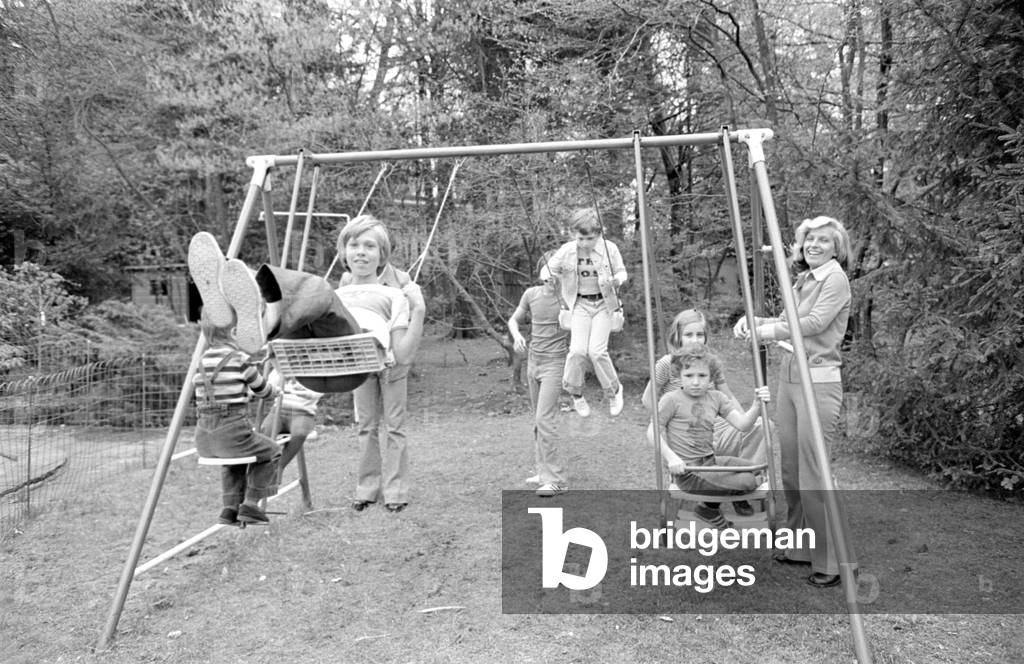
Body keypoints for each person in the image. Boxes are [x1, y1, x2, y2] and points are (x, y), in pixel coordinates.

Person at [733, 215, 855, 588]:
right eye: (808, 240)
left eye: (823, 240)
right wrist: (756, 320)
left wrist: (764, 331)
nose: (813, 246)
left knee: (813, 471)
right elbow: (790, 320)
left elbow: (815, 323)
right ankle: (801, 545)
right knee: (790, 470)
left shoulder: (835, 279)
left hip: (817, 380)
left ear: (837, 247)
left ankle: (833, 560)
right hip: (789, 378)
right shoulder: (803, 279)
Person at [335, 214, 425, 513]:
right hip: (359, 368)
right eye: (354, 245)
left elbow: (403, 348)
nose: (361, 251)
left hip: (391, 366)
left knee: (395, 426)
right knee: (365, 425)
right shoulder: (341, 290)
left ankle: (396, 490)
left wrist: (418, 308)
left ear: (381, 255)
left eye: (369, 246)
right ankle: (366, 489)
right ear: (344, 252)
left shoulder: (396, 289)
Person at [653, 343, 771, 530]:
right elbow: (653, 431)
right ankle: (711, 506)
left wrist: (757, 405)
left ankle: (709, 509)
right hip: (689, 472)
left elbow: (742, 425)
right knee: (749, 481)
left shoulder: (716, 398)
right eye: (689, 376)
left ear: (711, 377)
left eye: (702, 376)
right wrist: (671, 457)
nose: (696, 382)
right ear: (679, 376)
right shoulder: (671, 400)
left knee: (754, 470)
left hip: (710, 462)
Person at [641, 309, 768, 464]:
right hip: (688, 432)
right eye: (688, 335)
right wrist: (668, 423)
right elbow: (648, 398)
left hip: (717, 427)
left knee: (762, 425)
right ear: (677, 337)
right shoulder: (667, 363)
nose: (695, 340)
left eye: (699, 335)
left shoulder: (709, 363)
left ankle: (747, 471)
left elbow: (728, 397)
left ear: (705, 337)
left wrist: (744, 420)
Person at [191, 313, 281, 526]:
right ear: (233, 333)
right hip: (231, 430)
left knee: (233, 459)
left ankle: (229, 508)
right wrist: (274, 391)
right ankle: (250, 503)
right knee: (272, 451)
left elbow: (218, 391)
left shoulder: (201, 362)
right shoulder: (239, 359)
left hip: (204, 437)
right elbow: (262, 389)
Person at [546, 207, 628, 417]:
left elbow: (621, 271)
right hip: (580, 305)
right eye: (581, 238)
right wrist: (549, 277)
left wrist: (616, 280)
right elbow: (548, 269)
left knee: (597, 351)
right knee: (577, 351)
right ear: (574, 234)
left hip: (603, 305)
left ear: (599, 234)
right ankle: (576, 394)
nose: (585, 243)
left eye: (590, 238)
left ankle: (614, 391)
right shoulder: (567, 250)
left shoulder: (610, 249)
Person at [508, 251, 570, 497]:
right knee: (538, 419)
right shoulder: (531, 294)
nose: (551, 277)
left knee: (545, 419)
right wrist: (517, 336)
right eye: (547, 271)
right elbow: (513, 320)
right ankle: (542, 471)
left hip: (555, 363)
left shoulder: (568, 298)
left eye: (557, 271)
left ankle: (556, 480)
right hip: (533, 361)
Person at [261, 370, 322, 480]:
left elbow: (320, 390)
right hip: (278, 410)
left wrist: (307, 393)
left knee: (300, 432)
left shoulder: (312, 370)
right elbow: (270, 387)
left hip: (303, 412)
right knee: (264, 432)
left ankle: (279, 466)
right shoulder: (280, 368)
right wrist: (281, 374)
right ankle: (263, 467)